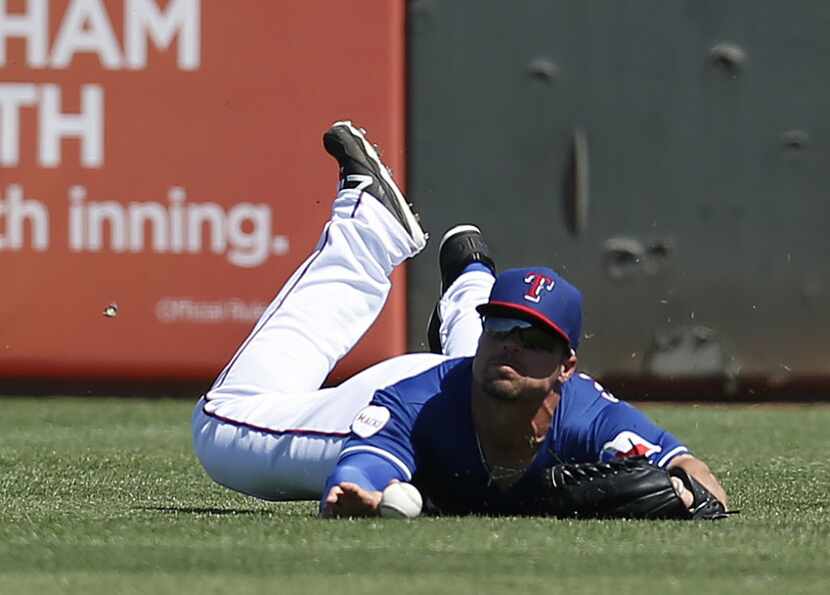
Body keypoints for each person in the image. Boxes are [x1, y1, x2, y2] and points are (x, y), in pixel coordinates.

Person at [192, 121, 728, 518]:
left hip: (469, 388)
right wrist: (355, 491)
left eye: (530, 336)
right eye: (497, 324)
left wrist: (690, 498)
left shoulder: (591, 420)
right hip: (404, 401)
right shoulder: (415, 404)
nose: (510, 343)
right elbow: (364, 464)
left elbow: (701, 479)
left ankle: (472, 278)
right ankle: (368, 232)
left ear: (567, 366)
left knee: (494, 374)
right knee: (219, 424)